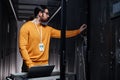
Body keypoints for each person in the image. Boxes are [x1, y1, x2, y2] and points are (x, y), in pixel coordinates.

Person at [19, 5, 87, 72]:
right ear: (40, 13)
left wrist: (78, 31)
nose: (48, 16)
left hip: (44, 66)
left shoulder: (48, 29)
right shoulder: (26, 27)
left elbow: (63, 34)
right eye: (47, 13)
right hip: (29, 66)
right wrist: (30, 65)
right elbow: (22, 48)